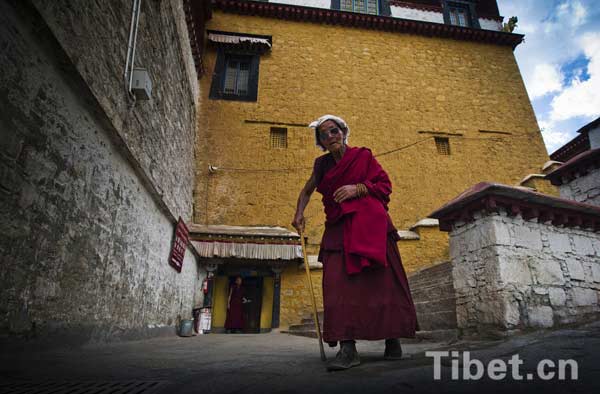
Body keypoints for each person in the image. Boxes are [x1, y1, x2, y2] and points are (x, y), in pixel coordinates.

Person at [292, 114, 418, 371]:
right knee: (337, 285)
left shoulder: (363, 157)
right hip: (339, 229)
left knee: (383, 284)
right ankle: (347, 349)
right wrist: (298, 214)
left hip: (372, 227)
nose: (330, 136)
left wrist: (358, 188)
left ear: (343, 131)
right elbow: (306, 192)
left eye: (334, 130)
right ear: (321, 143)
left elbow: (384, 184)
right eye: (324, 134)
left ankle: (392, 340)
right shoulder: (322, 166)